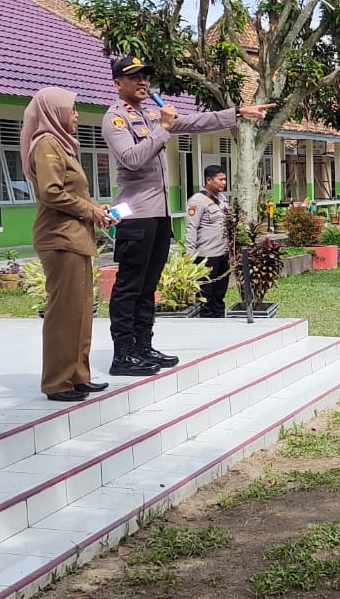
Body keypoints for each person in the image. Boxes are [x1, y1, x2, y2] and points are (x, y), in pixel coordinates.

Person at [103, 55, 272, 375]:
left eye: (145, 76)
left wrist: (238, 113)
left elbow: (195, 122)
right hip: (136, 218)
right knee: (129, 287)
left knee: (148, 285)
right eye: (134, 77)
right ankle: (122, 355)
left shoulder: (153, 112)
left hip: (159, 216)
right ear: (117, 83)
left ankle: (143, 346)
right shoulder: (115, 119)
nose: (142, 82)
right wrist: (164, 129)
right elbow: (132, 158)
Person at [23, 87, 117, 402]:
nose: (76, 116)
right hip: (59, 239)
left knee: (80, 312)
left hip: (75, 238)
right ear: (56, 112)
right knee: (64, 312)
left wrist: (96, 210)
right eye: (72, 110)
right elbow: (50, 192)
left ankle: (78, 376)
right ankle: (57, 381)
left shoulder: (63, 146)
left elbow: (71, 193)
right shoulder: (47, 144)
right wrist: (88, 210)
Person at [183, 165, 230, 317]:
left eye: (224, 179)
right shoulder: (197, 201)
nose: (223, 182)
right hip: (206, 257)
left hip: (223, 254)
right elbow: (191, 229)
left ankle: (219, 321)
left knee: (219, 294)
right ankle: (206, 324)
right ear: (208, 180)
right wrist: (189, 257)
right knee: (205, 296)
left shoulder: (222, 199)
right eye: (220, 179)